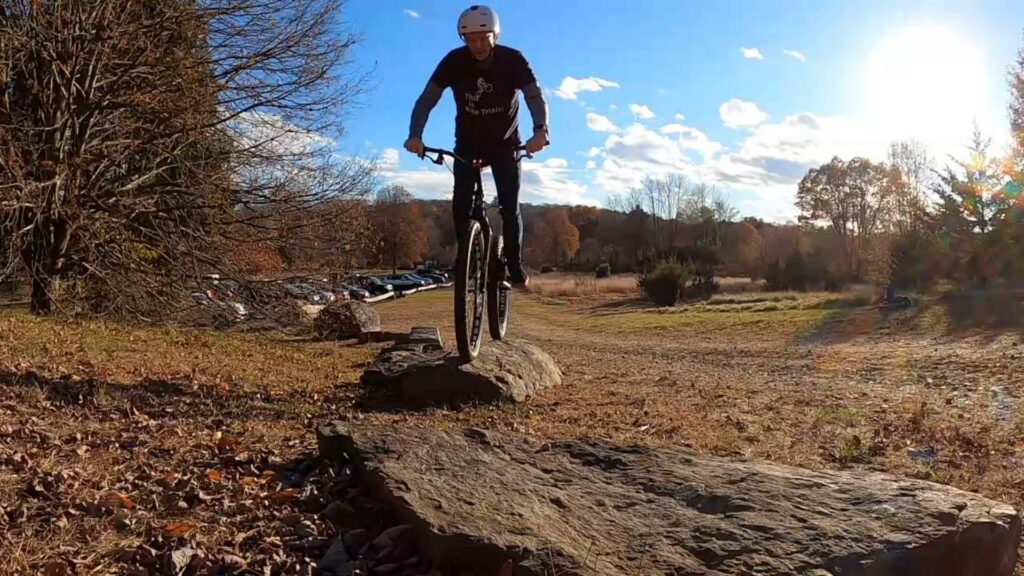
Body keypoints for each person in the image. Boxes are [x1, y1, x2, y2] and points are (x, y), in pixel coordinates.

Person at [404, 5, 549, 288]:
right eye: (471, 39)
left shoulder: (513, 60)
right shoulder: (454, 62)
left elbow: (534, 96)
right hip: (468, 144)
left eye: (484, 38)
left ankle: (513, 265)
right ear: (464, 39)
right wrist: (415, 135)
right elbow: (426, 100)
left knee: (509, 205)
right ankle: (466, 258)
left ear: (495, 35)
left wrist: (540, 131)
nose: (478, 45)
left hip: (506, 144)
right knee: (460, 203)